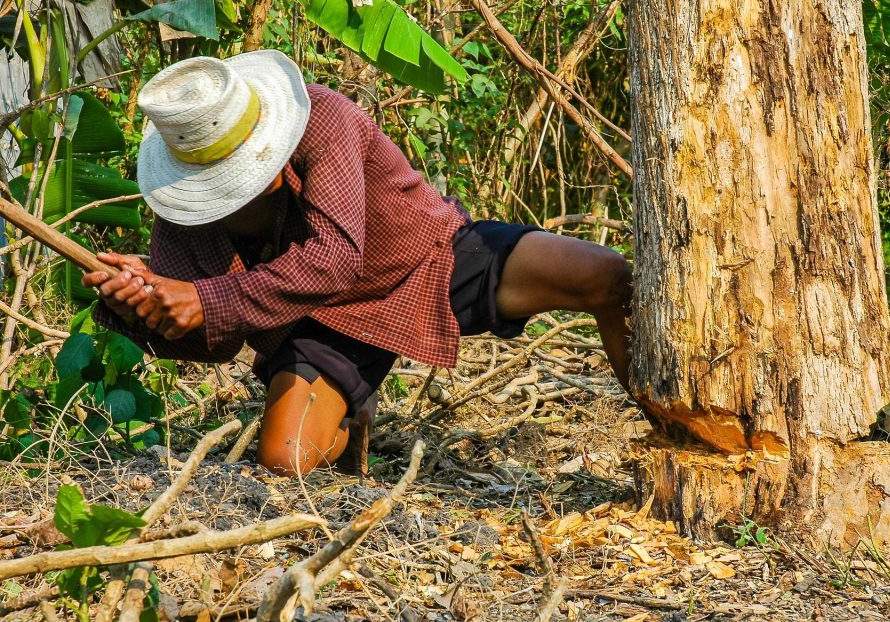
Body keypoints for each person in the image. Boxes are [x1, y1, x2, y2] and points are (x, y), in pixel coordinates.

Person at [84, 50, 633, 477]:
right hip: (317, 319)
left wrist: (203, 299)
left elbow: (334, 258)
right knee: (284, 460)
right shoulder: (181, 200)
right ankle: (350, 417)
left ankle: (675, 422)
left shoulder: (325, 119)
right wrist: (146, 308)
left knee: (610, 279)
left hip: (425, 259)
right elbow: (218, 343)